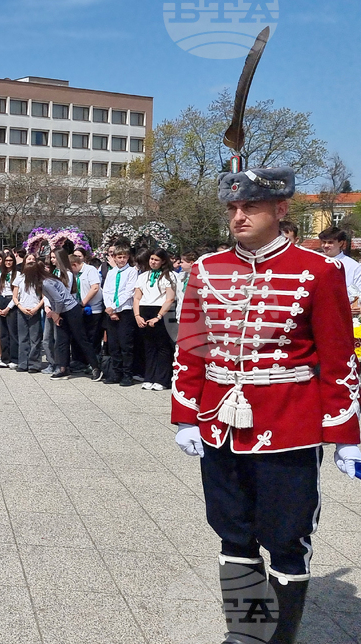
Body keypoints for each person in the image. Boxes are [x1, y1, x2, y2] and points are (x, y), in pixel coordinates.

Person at [173, 164, 361, 643]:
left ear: (280, 209)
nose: (238, 216)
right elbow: (191, 349)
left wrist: (344, 433)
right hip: (220, 424)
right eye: (233, 208)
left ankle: (278, 640)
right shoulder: (205, 270)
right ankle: (247, 633)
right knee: (232, 532)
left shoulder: (318, 270)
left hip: (290, 426)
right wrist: (187, 416)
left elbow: (339, 356)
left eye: (250, 206)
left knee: (286, 539)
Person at [22, 260, 102, 380]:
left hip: (71, 310)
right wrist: (57, 313)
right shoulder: (45, 281)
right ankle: (62, 368)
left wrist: (56, 314)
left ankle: (96, 367)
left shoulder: (47, 283)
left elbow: (59, 300)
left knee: (81, 339)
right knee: (61, 341)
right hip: (61, 311)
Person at [132, 248, 177, 391]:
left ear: (163, 261)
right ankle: (149, 377)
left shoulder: (169, 276)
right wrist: (137, 315)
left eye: (156, 260)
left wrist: (158, 316)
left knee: (162, 347)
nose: (153, 262)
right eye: (151, 259)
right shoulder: (143, 276)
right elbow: (137, 297)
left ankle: (161, 379)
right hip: (144, 310)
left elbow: (170, 298)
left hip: (160, 312)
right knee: (148, 347)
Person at [102, 245, 138, 386]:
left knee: (125, 344)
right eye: (119, 257)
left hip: (124, 310)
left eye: (124, 257)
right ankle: (115, 373)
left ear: (128, 257)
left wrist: (115, 307)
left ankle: (127, 374)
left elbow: (128, 291)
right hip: (111, 311)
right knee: (113, 345)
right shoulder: (112, 272)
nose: (122, 260)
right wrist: (109, 308)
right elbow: (106, 291)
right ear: (114, 258)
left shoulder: (131, 271)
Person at [13, 254, 45, 372]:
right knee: (23, 338)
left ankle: (34, 364)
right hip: (22, 310)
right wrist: (20, 307)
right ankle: (22, 363)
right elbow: (15, 297)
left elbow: (43, 297)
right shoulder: (20, 278)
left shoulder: (40, 280)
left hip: (34, 310)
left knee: (35, 339)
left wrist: (36, 308)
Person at [318, 226, 361, 307]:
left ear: (341, 243)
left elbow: (359, 293)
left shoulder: (353, 266)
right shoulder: (315, 261)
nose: (326, 245)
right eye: (324, 242)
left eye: (330, 242)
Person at [0, 250, 18, 368]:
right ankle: (5, 358)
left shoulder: (17, 274)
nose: (8, 262)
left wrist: (8, 308)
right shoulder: (1, 274)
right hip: (1, 301)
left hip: (11, 302)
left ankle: (14, 358)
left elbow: (16, 295)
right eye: (6, 260)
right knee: (3, 333)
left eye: (10, 260)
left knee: (12, 332)